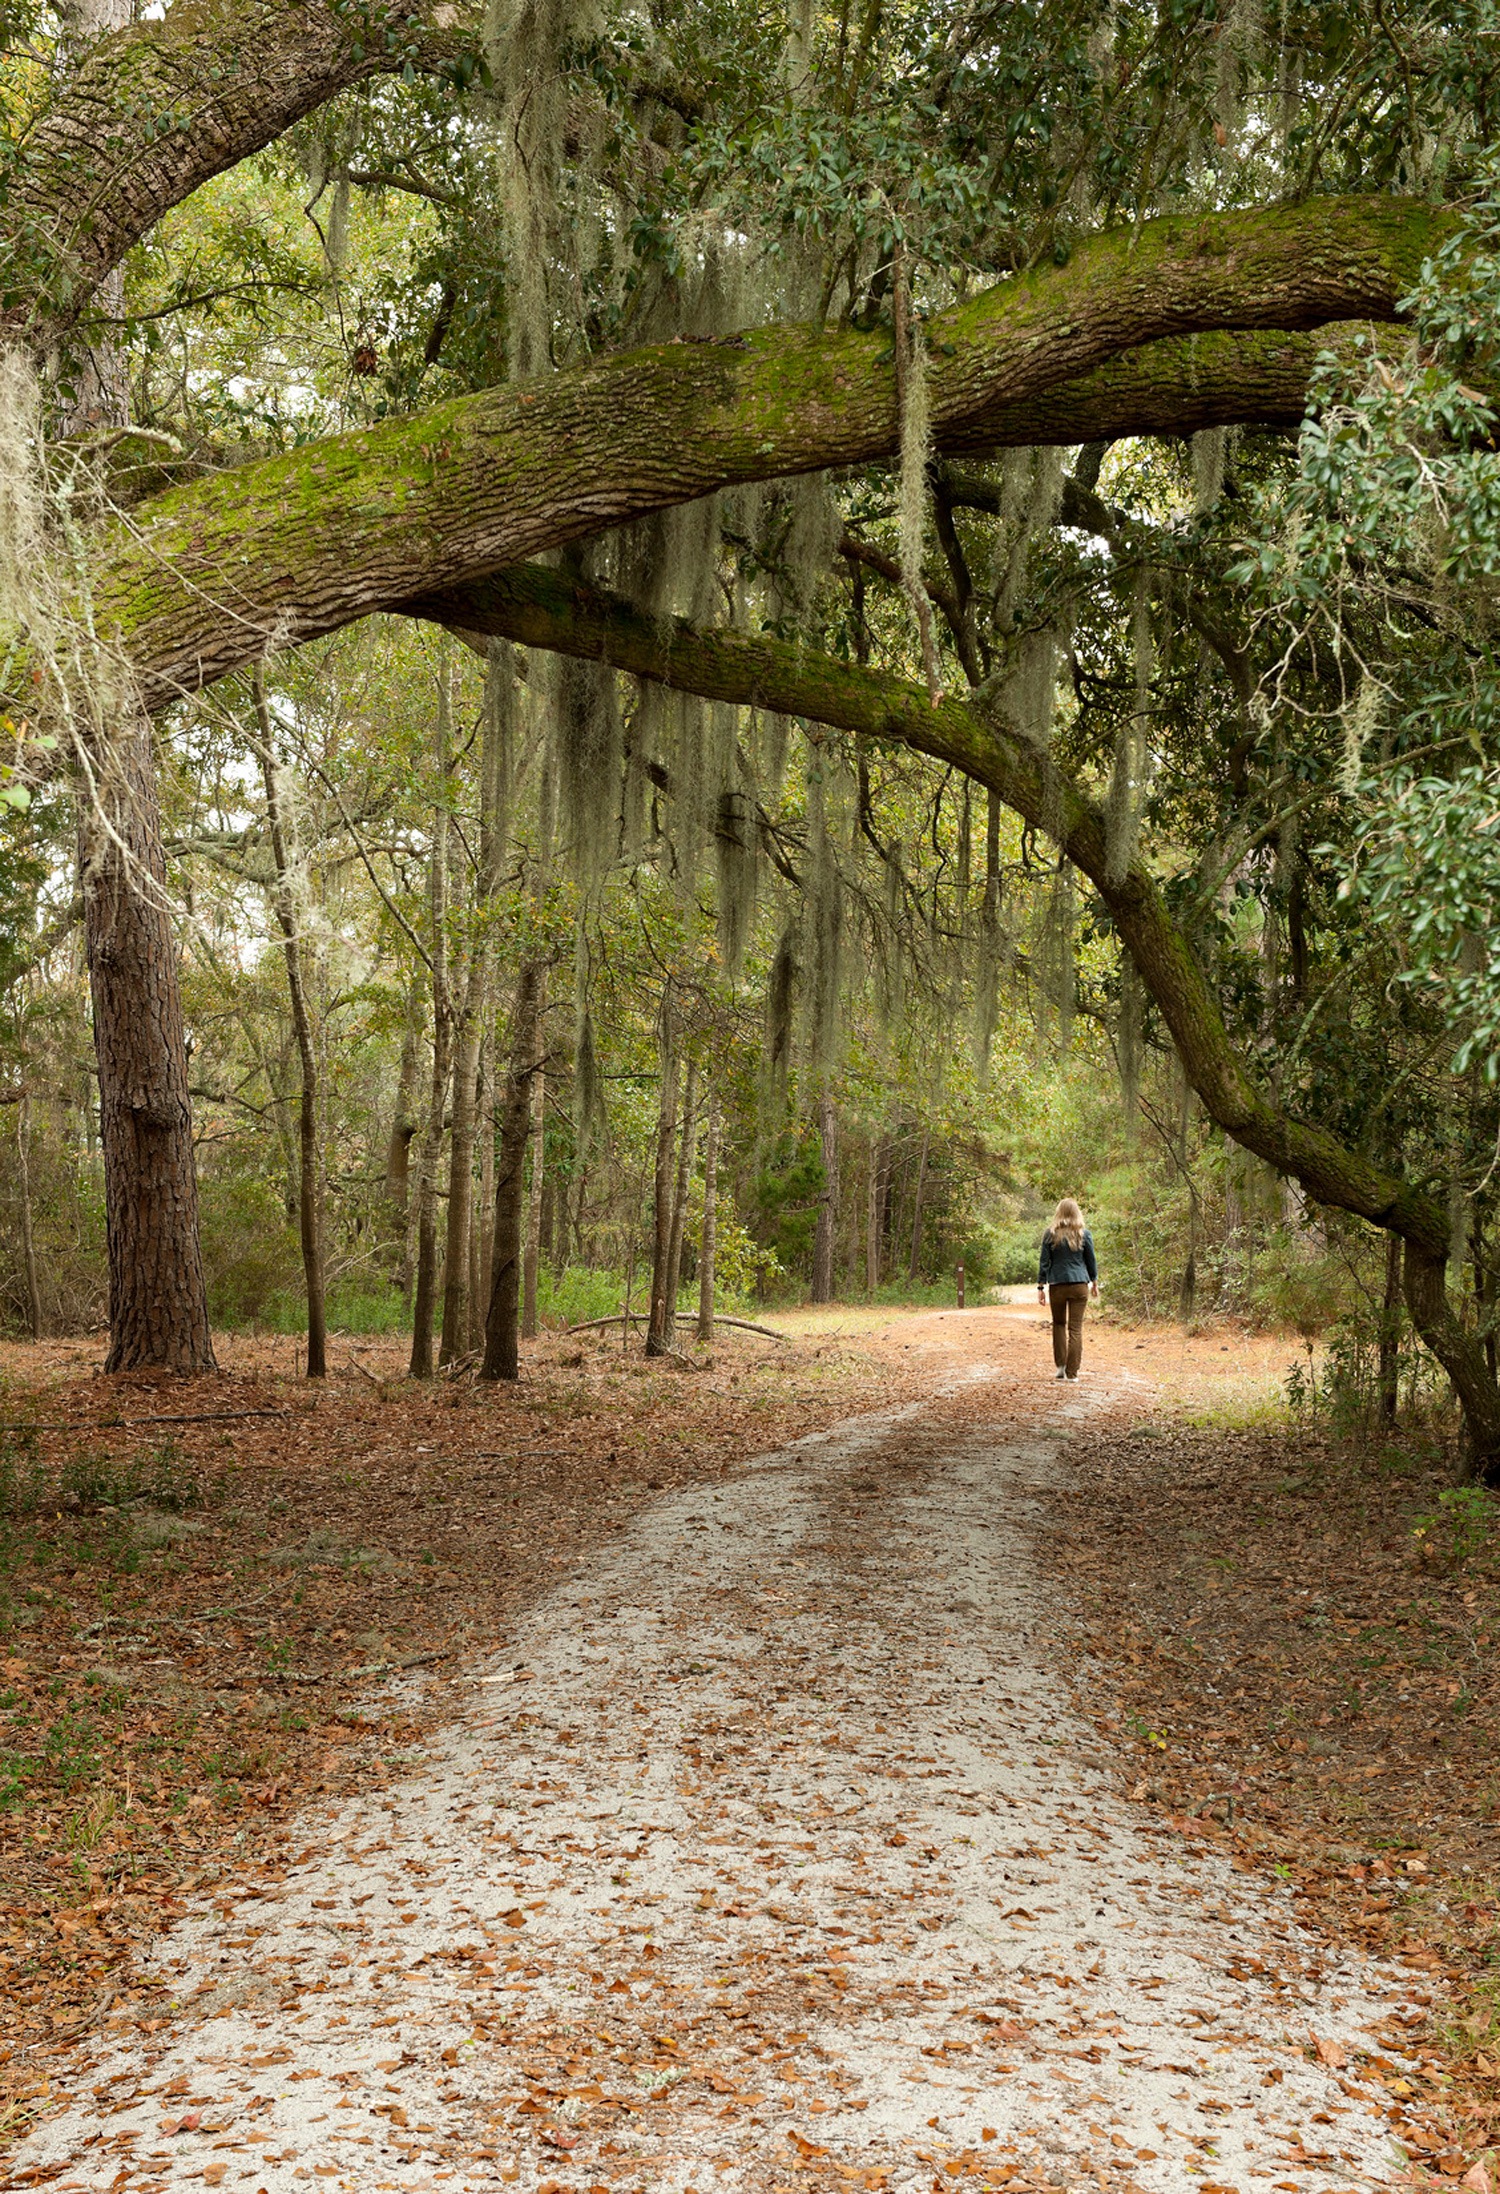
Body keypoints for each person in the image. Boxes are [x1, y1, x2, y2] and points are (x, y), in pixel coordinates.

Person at [1037, 1198, 1098, 1381]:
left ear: (1059, 1213)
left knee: (1058, 1325)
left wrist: (1040, 1286)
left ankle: (1061, 1367)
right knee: (1075, 1328)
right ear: (1076, 1213)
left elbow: (1044, 1262)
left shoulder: (1050, 1234)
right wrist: (1094, 1281)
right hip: (1079, 1284)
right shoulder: (1084, 1234)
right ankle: (1073, 1374)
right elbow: (1091, 1260)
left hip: (1057, 1285)